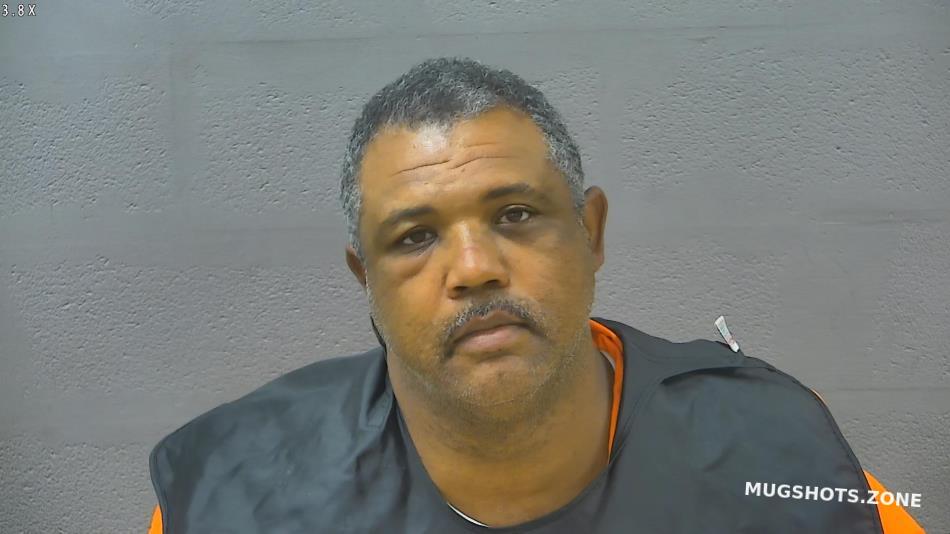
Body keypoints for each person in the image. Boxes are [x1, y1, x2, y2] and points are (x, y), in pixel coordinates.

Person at [146, 57, 925, 533]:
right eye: (415, 237)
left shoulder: (771, 443)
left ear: (591, 232)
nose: (474, 267)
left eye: (515, 215)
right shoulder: (234, 490)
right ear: (366, 280)